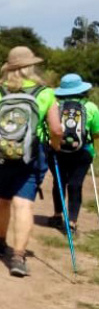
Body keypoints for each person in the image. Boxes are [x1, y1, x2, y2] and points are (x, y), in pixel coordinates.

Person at [0, 46, 62, 277]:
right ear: (31, 67)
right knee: (23, 203)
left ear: (8, 68)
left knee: (2, 199)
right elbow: (56, 128)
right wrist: (55, 146)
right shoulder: (46, 93)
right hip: (31, 153)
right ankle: (18, 256)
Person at [47, 74, 99, 235]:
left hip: (57, 150)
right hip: (83, 153)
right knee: (76, 185)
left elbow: (50, 129)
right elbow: (96, 133)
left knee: (59, 183)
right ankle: (72, 222)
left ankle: (57, 216)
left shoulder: (54, 106)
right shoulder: (91, 107)